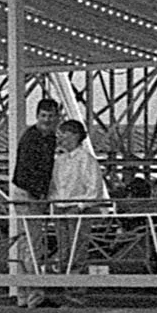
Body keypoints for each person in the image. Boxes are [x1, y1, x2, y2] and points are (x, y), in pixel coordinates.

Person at [9, 95, 64, 305]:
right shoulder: (33, 139)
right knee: (32, 244)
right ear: (38, 116)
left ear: (57, 117)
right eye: (44, 115)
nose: (47, 120)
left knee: (27, 244)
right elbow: (27, 172)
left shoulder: (46, 138)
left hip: (30, 193)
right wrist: (41, 194)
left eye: (51, 116)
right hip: (29, 194)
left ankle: (24, 293)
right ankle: (34, 294)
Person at [51, 117, 109, 275]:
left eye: (64, 134)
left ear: (75, 135)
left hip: (77, 208)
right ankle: (64, 277)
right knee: (63, 247)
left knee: (77, 247)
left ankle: (75, 280)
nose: (61, 138)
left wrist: (81, 205)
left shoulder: (86, 159)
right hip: (61, 207)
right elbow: (55, 185)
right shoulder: (60, 160)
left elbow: (94, 187)